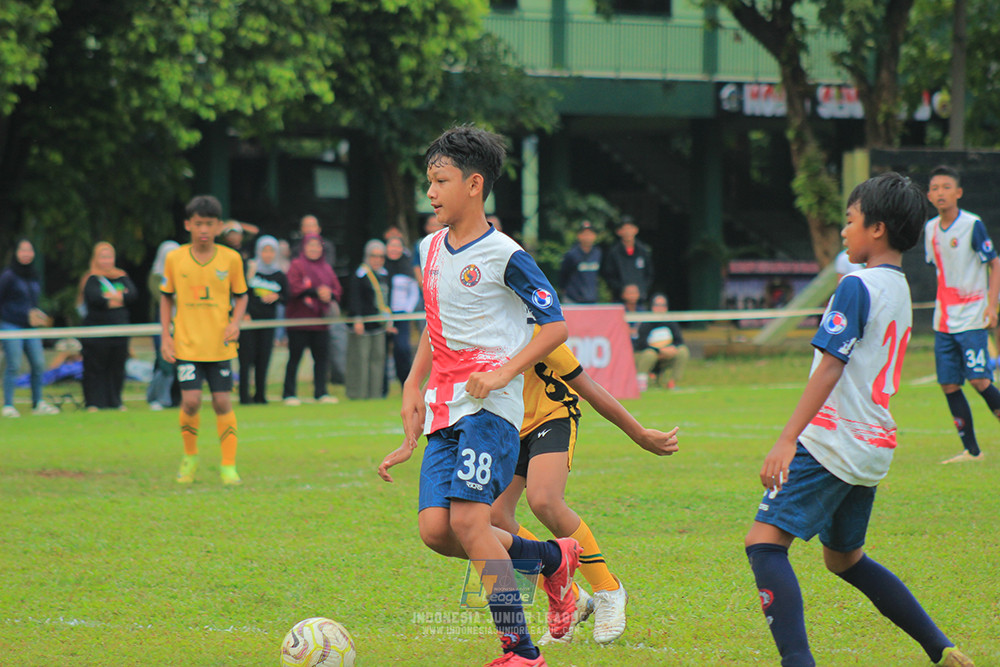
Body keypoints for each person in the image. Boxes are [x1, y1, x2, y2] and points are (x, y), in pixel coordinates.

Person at [744, 173, 975, 667]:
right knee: (843, 559)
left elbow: (831, 365)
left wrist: (787, 439)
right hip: (871, 445)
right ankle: (942, 648)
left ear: (877, 229)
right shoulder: (898, 287)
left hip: (832, 440)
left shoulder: (856, 285)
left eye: (849, 221)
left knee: (764, 544)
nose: (844, 232)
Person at [378, 125, 581, 667]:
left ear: (474, 185)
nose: (431, 193)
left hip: (491, 407)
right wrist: (412, 385)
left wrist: (502, 373)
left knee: (471, 521)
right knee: (438, 531)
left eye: (440, 181)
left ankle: (521, 652)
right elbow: (436, 322)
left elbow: (554, 327)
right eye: (428, 182)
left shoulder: (506, 255)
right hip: (444, 406)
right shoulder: (428, 248)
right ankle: (552, 558)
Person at [491, 330, 680, 645]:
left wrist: (640, 434)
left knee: (544, 500)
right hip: (507, 426)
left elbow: (588, 387)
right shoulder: (478, 329)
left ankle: (608, 589)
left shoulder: (536, 331)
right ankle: (571, 597)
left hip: (551, 418)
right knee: (494, 518)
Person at [160, 195, 249, 486]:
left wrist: (235, 323)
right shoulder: (175, 258)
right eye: (198, 224)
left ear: (219, 226)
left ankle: (228, 466)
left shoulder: (231, 258)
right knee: (191, 401)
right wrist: (165, 335)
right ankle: (190, 457)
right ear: (188, 224)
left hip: (219, 345)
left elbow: (242, 295)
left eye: (209, 224)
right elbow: (166, 297)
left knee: (223, 402)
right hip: (187, 344)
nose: (203, 230)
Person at [924, 165, 1000, 464]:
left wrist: (991, 306)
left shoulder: (972, 224)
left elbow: (995, 263)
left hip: (972, 315)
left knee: (979, 380)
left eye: (946, 187)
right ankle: (972, 451)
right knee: (949, 384)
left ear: (958, 192)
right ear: (929, 195)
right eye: (935, 188)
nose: (940, 192)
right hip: (943, 318)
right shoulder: (930, 229)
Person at [0, 239, 60, 417]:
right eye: (22, 250)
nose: (26, 254)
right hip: (11, 324)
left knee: (38, 363)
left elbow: (32, 302)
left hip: (30, 327)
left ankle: (37, 403)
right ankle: (8, 404)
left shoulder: (34, 275)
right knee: (14, 364)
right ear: (16, 253)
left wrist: (38, 315)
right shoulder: (8, 275)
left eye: (29, 250)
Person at [77, 242, 137, 411]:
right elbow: (95, 299)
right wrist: (118, 298)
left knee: (117, 366)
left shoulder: (121, 276)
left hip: (119, 331)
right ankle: (94, 402)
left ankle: (115, 401)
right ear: (96, 258)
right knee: (96, 367)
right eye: (102, 257)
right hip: (97, 332)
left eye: (109, 256)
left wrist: (110, 298)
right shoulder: (91, 278)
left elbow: (132, 295)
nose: (106, 260)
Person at [283, 234, 342, 405]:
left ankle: (321, 392)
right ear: (303, 247)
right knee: (295, 357)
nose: (314, 249)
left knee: (321, 359)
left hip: (320, 322)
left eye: (317, 246)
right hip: (298, 321)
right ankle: (289, 394)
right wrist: (316, 292)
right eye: (310, 246)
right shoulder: (296, 264)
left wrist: (328, 294)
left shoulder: (326, 268)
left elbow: (337, 289)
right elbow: (293, 287)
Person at [239, 235, 287, 405]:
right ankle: (244, 396)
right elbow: (240, 291)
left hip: (268, 323)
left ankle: (260, 395)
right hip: (249, 321)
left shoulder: (279, 274)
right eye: (265, 250)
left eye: (271, 251)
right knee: (246, 359)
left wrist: (277, 296)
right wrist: (243, 313)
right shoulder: (251, 269)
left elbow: (287, 297)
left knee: (263, 358)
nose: (268, 254)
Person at [346, 239, 393, 400]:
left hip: (379, 326)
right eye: (374, 256)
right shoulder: (360, 274)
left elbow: (386, 300)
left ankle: (375, 394)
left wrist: (389, 322)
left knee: (377, 360)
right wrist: (357, 319)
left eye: (381, 256)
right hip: (363, 326)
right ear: (367, 256)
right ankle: (357, 394)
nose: (377, 259)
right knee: (360, 360)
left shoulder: (384, 275)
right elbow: (355, 298)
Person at [147, 240, 180, 410]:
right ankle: (158, 398)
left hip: (181, 323)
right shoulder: (156, 277)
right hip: (163, 324)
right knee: (164, 362)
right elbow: (163, 297)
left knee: (180, 362)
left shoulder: (184, 274)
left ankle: (176, 398)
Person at [384, 235, 420, 391]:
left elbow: (413, 292)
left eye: (397, 246)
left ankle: (405, 384)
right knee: (382, 351)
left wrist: (408, 310)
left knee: (402, 349)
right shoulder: (381, 268)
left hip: (402, 315)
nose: (394, 249)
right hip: (383, 315)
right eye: (391, 246)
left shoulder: (407, 268)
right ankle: (382, 387)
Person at [633, 293, 689, 390]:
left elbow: (679, 341)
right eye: (657, 305)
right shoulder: (646, 323)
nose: (660, 308)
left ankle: (672, 383)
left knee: (682, 351)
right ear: (652, 307)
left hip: (666, 355)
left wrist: (671, 349)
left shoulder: (671, 322)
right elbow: (641, 344)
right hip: (648, 355)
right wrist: (659, 351)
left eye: (662, 305)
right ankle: (641, 384)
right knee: (649, 354)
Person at [601, 215, 653, 304]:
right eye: (624, 229)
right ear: (619, 232)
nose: (628, 232)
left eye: (630, 228)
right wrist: (622, 290)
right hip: (619, 299)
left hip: (639, 300)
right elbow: (609, 276)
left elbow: (649, 274)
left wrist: (640, 290)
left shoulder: (643, 251)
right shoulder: (613, 252)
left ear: (636, 230)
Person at [558, 220, 603, 304]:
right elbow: (563, 275)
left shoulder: (598, 253)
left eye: (590, 234)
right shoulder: (571, 254)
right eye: (584, 234)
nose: (587, 237)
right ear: (579, 236)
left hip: (592, 299)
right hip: (573, 299)